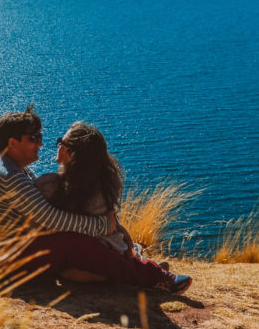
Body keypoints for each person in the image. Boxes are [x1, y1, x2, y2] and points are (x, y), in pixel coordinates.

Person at [0, 106, 191, 293]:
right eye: (34, 138)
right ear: (13, 143)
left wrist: (116, 228)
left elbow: (48, 211)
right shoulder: (9, 177)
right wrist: (104, 225)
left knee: (76, 248)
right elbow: (53, 219)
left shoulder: (14, 170)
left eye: (41, 137)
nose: (40, 143)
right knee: (73, 243)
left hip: (9, 254)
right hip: (0, 265)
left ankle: (131, 265)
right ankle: (155, 276)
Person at [37, 121, 191, 293]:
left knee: (76, 265)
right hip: (104, 252)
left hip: (86, 258)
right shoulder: (106, 183)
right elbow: (107, 224)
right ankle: (138, 259)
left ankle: (143, 265)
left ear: (71, 153)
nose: (59, 147)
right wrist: (116, 227)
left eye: (62, 143)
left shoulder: (50, 185)